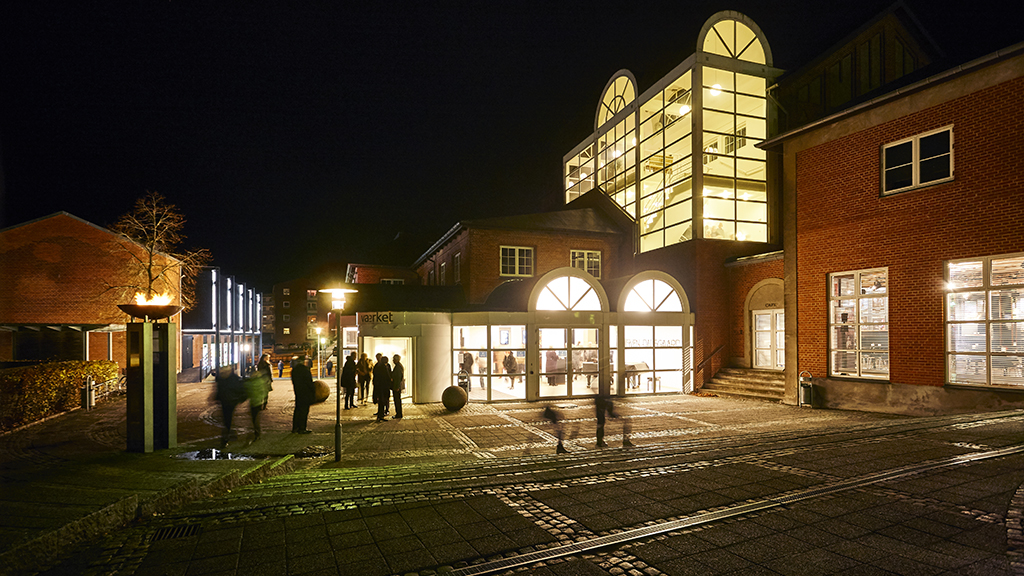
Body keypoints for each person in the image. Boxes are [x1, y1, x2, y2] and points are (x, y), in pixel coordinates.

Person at [214, 365, 246, 448]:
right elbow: (220, 389)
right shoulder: (230, 378)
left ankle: (227, 435)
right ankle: (229, 433)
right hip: (228, 400)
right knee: (227, 417)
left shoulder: (227, 378)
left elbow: (239, 389)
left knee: (227, 418)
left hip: (230, 401)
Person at [245, 354, 272, 440]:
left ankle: (256, 432)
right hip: (257, 401)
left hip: (254, 401)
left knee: (254, 417)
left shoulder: (253, 381)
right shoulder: (260, 380)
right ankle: (257, 432)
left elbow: (246, 391)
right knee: (255, 418)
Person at [290, 355, 315, 434]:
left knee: (297, 409)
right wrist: (313, 391)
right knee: (304, 411)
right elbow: (309, 383)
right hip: (306, 392)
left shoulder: (294, 371)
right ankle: (302, 428)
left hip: (298, 392)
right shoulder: (305, 370)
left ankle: (295, 427)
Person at [372, 354, 392, 422]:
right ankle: (381, 415)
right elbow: (387, 377)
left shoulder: (378, 366)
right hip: (383, 387)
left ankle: (381, 414)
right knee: (383, 400)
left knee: (381, 400)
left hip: (379, 386)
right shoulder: (383, 367)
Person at [391, 354, 404, 419]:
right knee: (397, 400)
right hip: (397, 386)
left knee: (397, 400)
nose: (393, 360)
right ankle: (399, 413)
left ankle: (398, 414)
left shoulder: (398, 367)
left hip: (396, 387)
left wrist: (397, 387)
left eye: (393, 359)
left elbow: (398, 378)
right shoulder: (398, 366)